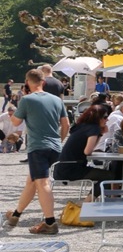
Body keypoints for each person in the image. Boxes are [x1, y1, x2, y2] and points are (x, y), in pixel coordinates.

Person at [4, 68, 70, 234]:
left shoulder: (27, 100)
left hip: (38, 147)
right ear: (44, 82)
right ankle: (16, 215)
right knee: (32, 181)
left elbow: (16, 122)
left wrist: (16, 108)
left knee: (42, 182)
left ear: (27, 83)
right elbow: (66, 125)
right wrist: (58, 141)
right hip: (54, 146)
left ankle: (49, 222)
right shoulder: (57, 100)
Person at [52, 104, 112, 198]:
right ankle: (87, 202)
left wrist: (100, 134)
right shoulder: (94, 128)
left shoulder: (81, 126)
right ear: (97, 117)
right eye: (105, 117)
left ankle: (92, 200)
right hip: (73, 169)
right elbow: (87, 151)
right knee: (110, 176)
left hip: (61, 167)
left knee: (106, 175)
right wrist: (99, 133)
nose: (107, 120)